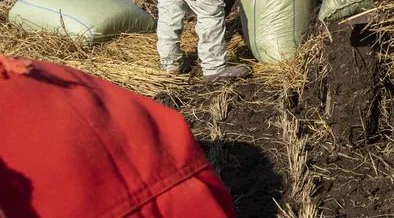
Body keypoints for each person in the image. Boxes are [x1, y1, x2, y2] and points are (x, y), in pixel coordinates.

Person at [0, 54, 236, 216]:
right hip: (162, 185)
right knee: (208, 3)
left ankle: (170, 61)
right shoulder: (41, 78)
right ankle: (213, 66)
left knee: (172, 2)